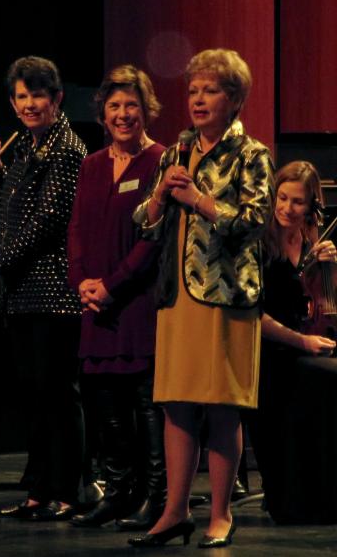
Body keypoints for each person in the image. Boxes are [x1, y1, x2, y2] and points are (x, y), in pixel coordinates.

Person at [129, 49, 273, 548]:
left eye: (210, 90)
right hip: (177, 296)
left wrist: (200, 202)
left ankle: (220, 514)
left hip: (224, 296)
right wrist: (160, 198)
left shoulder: (251, 154)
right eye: (193, 91)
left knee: (222, 406)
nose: (198, 99)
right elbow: (143, 225)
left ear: (234, 98)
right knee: (176, 406)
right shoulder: (175, 152)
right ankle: (174, 512)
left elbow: (254, 222)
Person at [0, 56, 87, 521]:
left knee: (58, 395)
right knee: (36, 397)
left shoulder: (66, 149)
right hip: (22, 293)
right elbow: (7, 219)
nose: (29, 104)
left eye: (38, 95)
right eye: (21, 96)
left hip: (54, 292)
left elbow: (47, 224)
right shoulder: (25, 148)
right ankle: (40, 492)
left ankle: (68, 492)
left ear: (57, 99)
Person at [67, 65, 166, 529]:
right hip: (96, 305)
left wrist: (113, 285)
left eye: (132, 105)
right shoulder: (91, 165)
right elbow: (77, 230)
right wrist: (82, 283)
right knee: (106, 403)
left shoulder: (161, 160)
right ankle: (119, 492)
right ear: (102, 114)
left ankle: (156, 498)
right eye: (114, 106)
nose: (123, 114)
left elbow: (154, 238)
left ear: (147, 110)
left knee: (147, 406)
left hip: (138, 302)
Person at [248, 161, 336, 522]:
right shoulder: (258, 242)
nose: (287, 208)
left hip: (302, 346)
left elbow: (323, 303)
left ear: (311, 204)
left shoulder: (311, 241)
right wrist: (302, 343)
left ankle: (322, 492)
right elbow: (252, 316)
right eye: (282, 198)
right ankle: (292, 495)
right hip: (266, 351)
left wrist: (331, 268)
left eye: (297, 202)